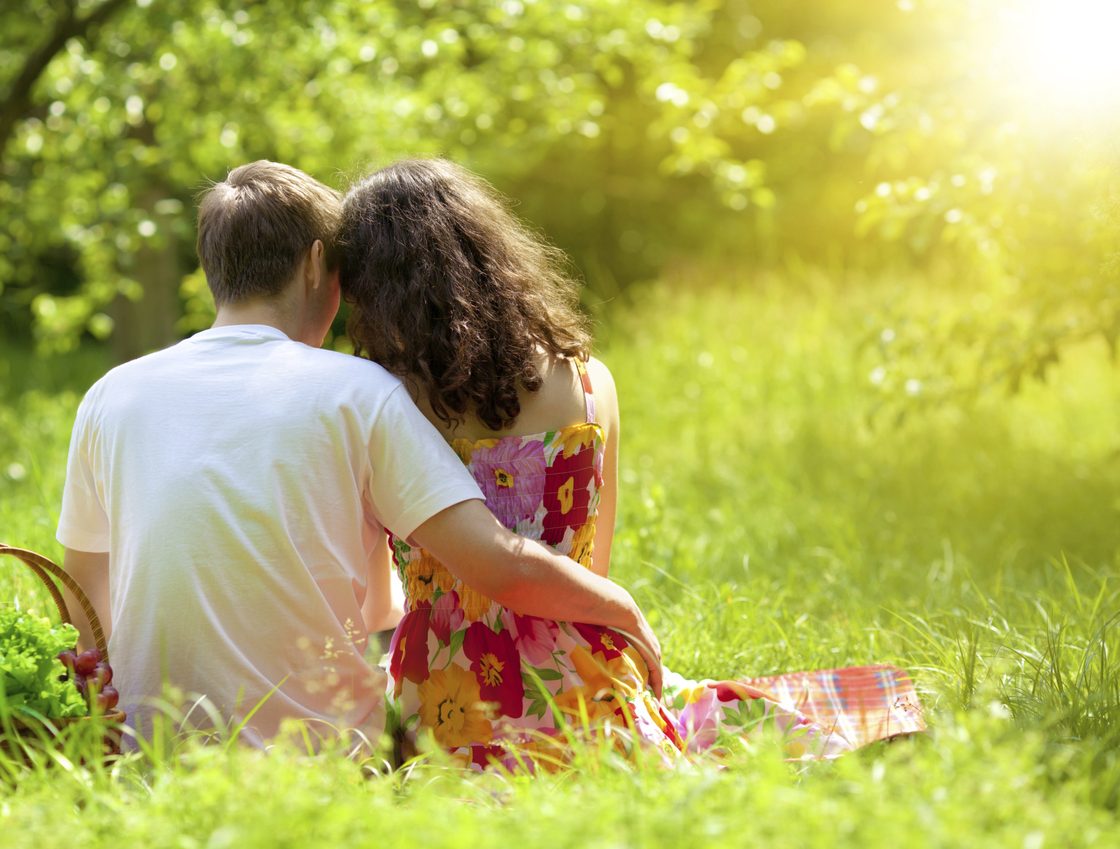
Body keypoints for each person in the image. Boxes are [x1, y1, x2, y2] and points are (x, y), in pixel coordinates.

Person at [55, 160, 664, 752]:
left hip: (146, 744)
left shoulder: (109, 395)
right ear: (318, 263)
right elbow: (503, 566)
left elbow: (84, 595)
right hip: (324, 745)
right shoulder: (359, 393)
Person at [337, 159, 924, 771]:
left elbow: (380, 598)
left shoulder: (386, 404)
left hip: (446, 692)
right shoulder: (589, 380)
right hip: (585, 670)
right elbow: (591, 567)